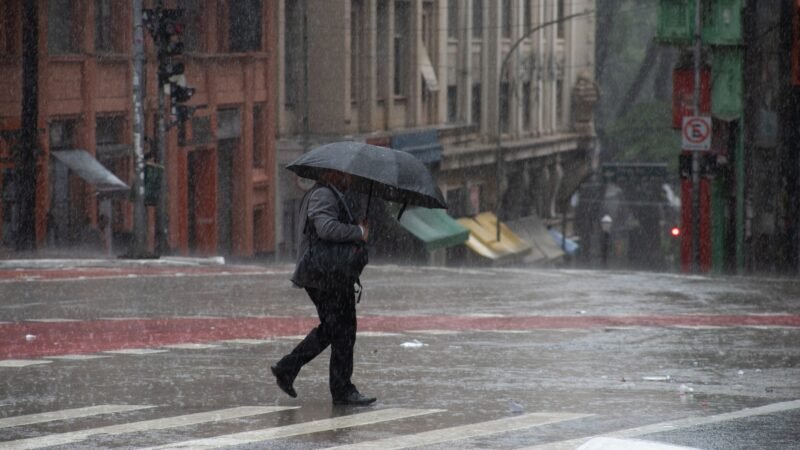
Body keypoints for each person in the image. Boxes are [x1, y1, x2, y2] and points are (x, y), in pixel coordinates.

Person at [270, 169, 376, 406]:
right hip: (325, 275)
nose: (350, 179)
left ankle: (289, 368)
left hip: (330, 275)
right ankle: (340, 389)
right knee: (342, 331)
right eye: (345, 175)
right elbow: (326, 228)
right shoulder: (323, 195)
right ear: (332, 174)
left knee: (336, 329)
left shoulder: (330, 193)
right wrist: (358, 232)